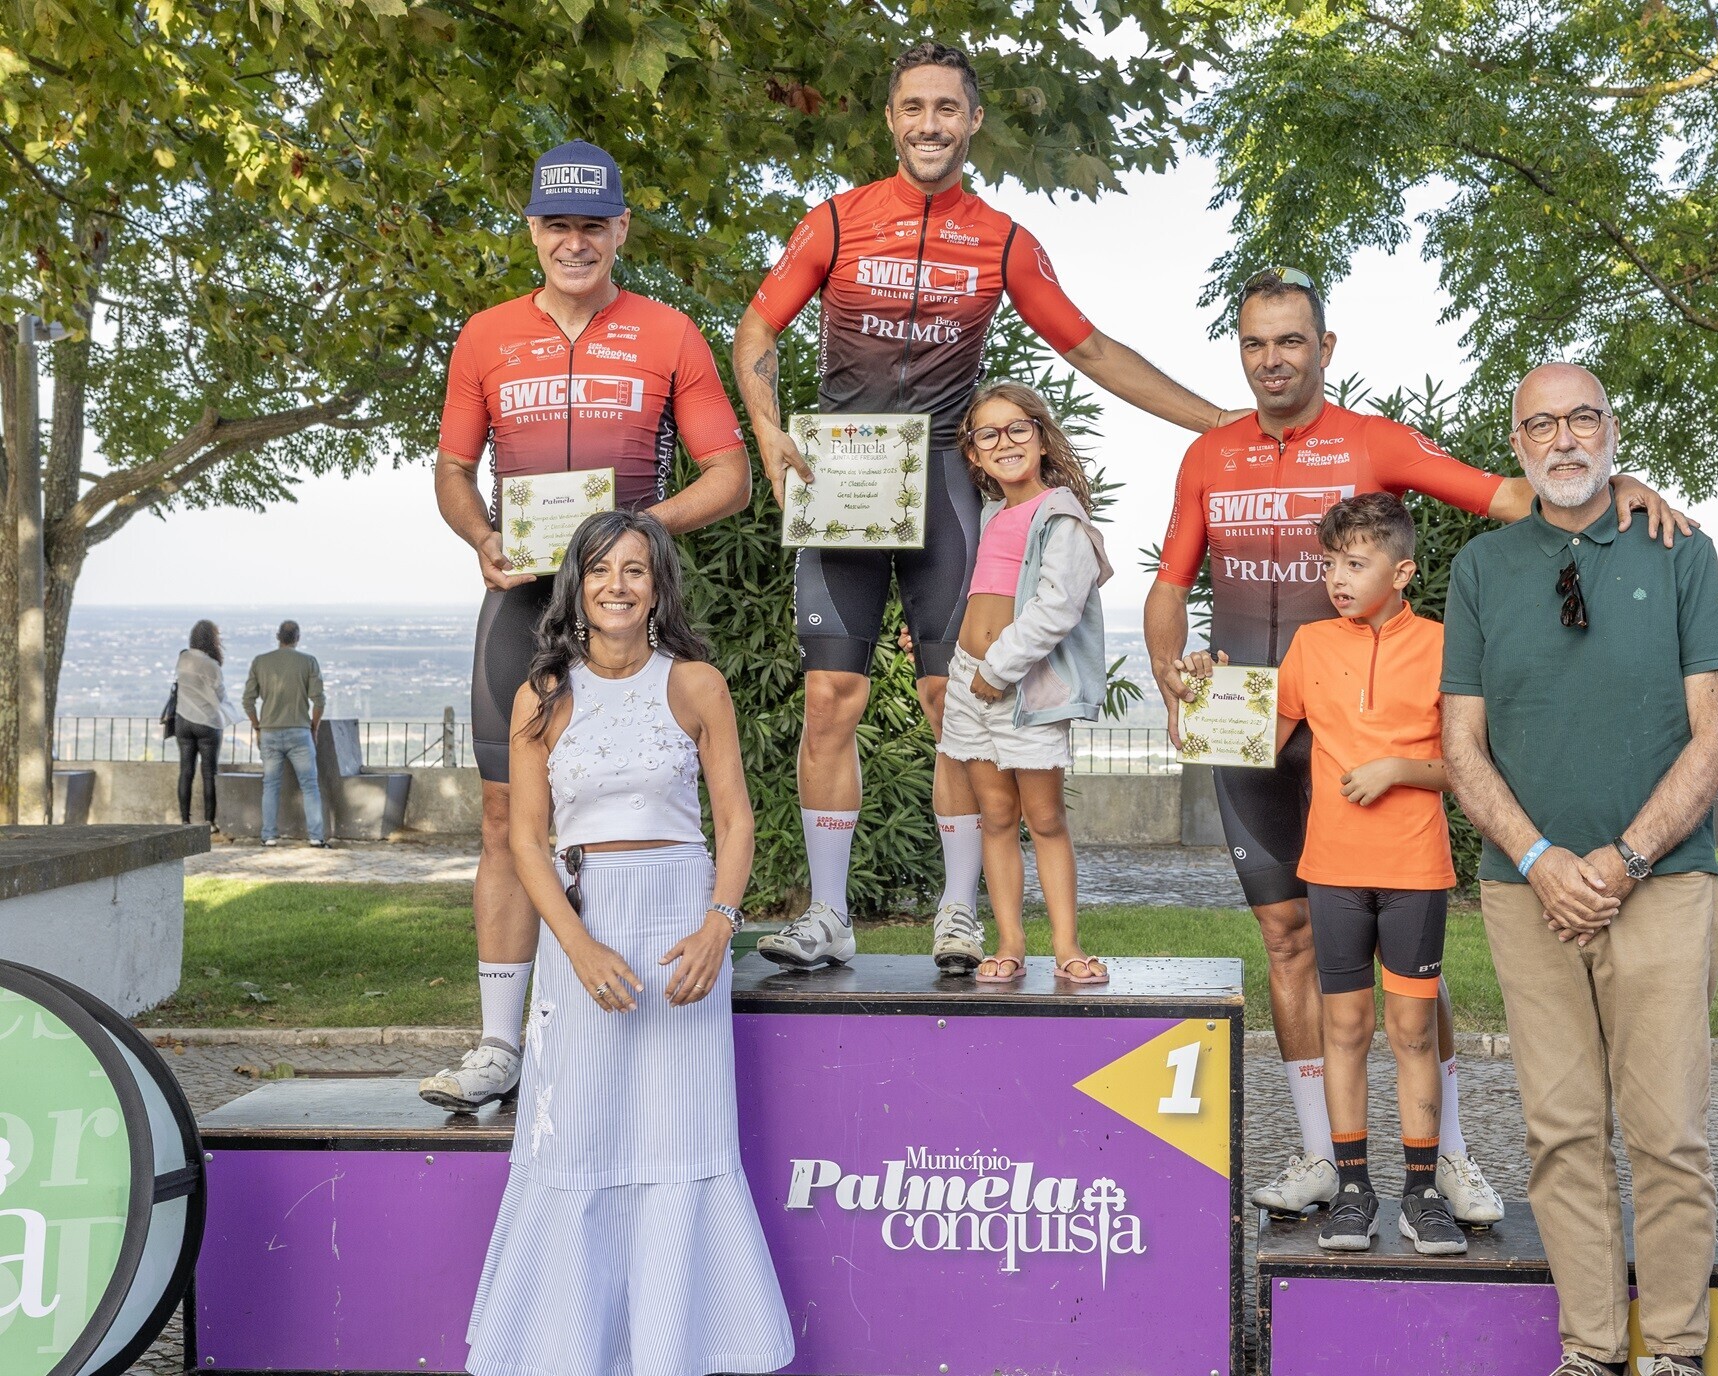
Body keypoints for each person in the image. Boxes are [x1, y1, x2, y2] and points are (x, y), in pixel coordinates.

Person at [1146, 267, 1694, 1222]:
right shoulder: (1210, 454)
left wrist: (1619, 482)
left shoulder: (1373, 440)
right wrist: (1168, 667)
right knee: (1287, 940)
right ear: (1239, 351)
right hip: (1254, 727)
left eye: (1289, 340)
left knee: (1407, 964)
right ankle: (1322, 1154)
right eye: (1253, 343)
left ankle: (1445, 1154)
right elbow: (1168, 584)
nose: (1271, 359)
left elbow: (1514, 499)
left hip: (1371, 736)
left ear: (1325, 348)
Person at [736, 40, 1237, 973]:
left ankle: (957, 912)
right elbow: (759, 326)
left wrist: (1217, 422)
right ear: (890, 120)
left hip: (945, 480)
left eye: (946, 109)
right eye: (913, 107)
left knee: (953, 697)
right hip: (841, 476)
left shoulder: (1001, 239)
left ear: (972, 123)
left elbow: (1089, 349)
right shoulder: (836, 223)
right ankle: (828, 914)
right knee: (830, 698)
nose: (929, 124)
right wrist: (767, 433)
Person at [421, 140, 752, 1113]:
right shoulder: (485, 336)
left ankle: (624, 1002)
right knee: (501, 819)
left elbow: (729, 475)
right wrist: (482, 531)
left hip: (624, 600)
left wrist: (639, 534)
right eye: (557, 224)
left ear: (620, 231)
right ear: (532, 230)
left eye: (592, 224)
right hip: (522, 597)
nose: (575, 242)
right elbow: (451, 468)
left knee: (646, 796)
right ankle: (496, 1043)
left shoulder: (668, 333)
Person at [1442, 363, 1718, 1376]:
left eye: (1581, 417)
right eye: (1541, 423)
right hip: (1525, 893)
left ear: (1612, 429)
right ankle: (1590, 1350)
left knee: (1666, 1135)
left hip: (1662, 885)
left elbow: (1716, 738)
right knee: (1560, 1135)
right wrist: (1537, 858)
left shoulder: (1680, 549)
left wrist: (1618, 860)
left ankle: (1666, 1352)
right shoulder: (1481, 566)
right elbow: (1459, 745)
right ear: (1517, 444)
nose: (1563, 438)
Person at [466, 509, 792, 1376]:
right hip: (588, 923)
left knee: (680, 1135)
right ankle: (568, 1353)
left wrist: (719, 927)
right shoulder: (541, 694)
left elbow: (734, 819)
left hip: (683, 923)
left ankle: (679, 1352)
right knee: (576, 1136)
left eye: (636, 571)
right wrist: (574, 948)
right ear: (576, 583)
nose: (618, 584)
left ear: (658, 589)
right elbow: (527, 843)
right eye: (602, 568)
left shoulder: (696, 685)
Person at [1274, 493, 1465, 1256]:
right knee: (1344, 1028)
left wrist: (1399, 769)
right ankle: (1353, 1188)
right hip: (1332, 871)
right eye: (1329, 564)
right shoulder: (1312, 644)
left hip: (1415, 869)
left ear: (1403, 569)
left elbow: (1467, 765)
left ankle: (1423, 1194)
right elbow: (1258, 729)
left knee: (1411, 1030)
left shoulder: (1447, 647)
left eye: (1355, 564)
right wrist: (1201, 688)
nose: (1337, 578)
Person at [938, 382, 1112, 983]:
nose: (1004, 442)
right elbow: (988, 595)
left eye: (1018, 429)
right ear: (974, 453)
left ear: (1040, 437)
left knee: (1044, 818)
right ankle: (1010, 941)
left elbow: (1055, 608)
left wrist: (997, 668)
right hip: (971, 681)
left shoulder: (1061, 516)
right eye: (989, 433)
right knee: (995, 816)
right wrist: (967, 655)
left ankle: (1066, 945)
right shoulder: (993, 515)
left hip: (1019, 685)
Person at [242, 619, 327, 848]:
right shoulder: (308, 662)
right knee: (309, 785)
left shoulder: (260, 662)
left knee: (270, 785)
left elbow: (247, 700)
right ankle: (316, 837)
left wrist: (257, 725)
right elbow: (319, 700)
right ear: (297, 637)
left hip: (269, 731)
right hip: (299, 731)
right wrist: (314, 727)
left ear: (278, 636)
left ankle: (268, 835)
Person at [174, 619, 234, 835]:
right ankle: (209, 822)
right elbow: (220, 695)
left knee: (185, 771)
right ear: (213, 640)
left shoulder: (183, 658)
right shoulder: (212, 666)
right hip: (207, 722)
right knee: (209, 773)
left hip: (182, 720)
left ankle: (184, 820)